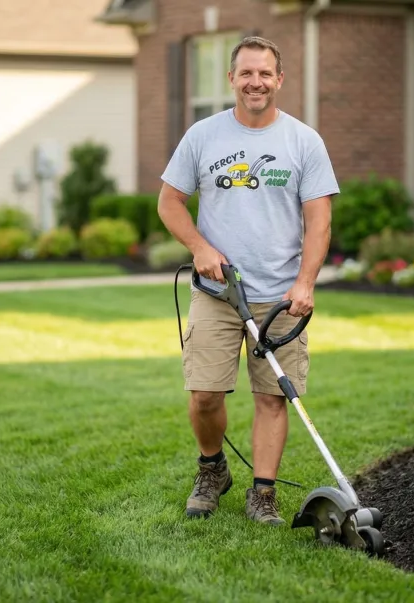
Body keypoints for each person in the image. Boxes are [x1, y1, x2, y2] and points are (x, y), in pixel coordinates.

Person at [156, 35, 339, 526]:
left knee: (272, 397)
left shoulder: (303, 141)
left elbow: (319, 220)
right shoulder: (203, 136)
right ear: (231, 79)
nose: (255, 82)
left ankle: (263, 494)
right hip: (218, 291)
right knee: (205, 395)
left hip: (280, 296)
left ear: (279, 79)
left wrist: (305, 283)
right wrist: (200, 247)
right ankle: (212, 468)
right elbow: (169, 202)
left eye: (264, 73)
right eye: (246, 73)